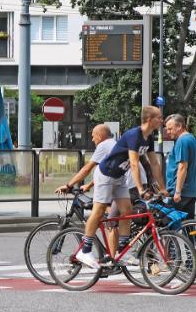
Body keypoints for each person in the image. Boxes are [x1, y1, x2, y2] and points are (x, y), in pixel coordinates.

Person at [72, 106, 168, 269]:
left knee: (127, 211)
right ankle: (85, 250)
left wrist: (162, 188)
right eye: (159, 117)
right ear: (149, 119)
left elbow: (154, 163)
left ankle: (122, 250)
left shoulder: (149, 137)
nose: (162, 120)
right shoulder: (134, 135)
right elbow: (134, 163)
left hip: (119, 176)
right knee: (100, 210)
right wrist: (140, 189)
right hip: (106, 174)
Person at [55, 124, 123, 257]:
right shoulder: (113, 144)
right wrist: (89, 185)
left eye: (93, 136)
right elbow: (107, 170)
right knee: (104, 216)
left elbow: (87, 169)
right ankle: (110, 254)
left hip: (117, 186)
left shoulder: (103, 146)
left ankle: (110, 258)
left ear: (100, 135)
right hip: (119, 184)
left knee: (108, 220)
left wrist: (69, 185)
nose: (92, 140)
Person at [164, 114, 196, 220]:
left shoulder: (182, 141)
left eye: (170, 129)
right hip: (191, 191)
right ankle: (191, 237)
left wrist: (177, 191)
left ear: (179, 126)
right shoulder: (191, 138)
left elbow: (182, 167)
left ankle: (168, 237)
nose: (168, 131)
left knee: (165, 224)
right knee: (189, 224)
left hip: (181, 191)